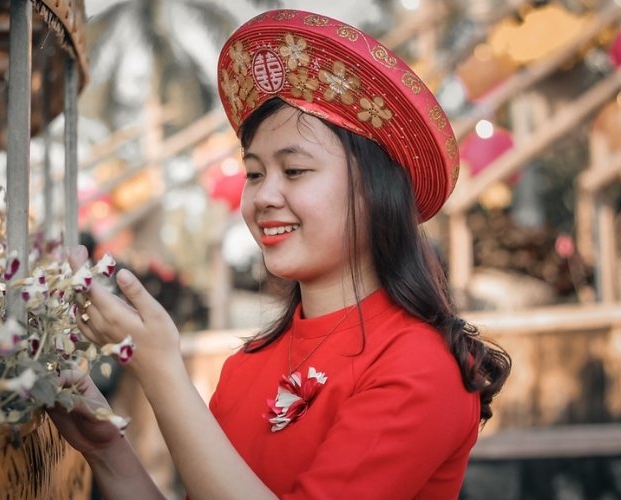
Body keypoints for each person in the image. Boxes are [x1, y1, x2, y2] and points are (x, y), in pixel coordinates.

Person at [48, 8, 511, 499]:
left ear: (376, 193)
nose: (264, 197)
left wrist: (160, 369)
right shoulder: (247, 365)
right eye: (253, 173)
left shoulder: (418, 365)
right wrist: (107, 450)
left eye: (294, 172)